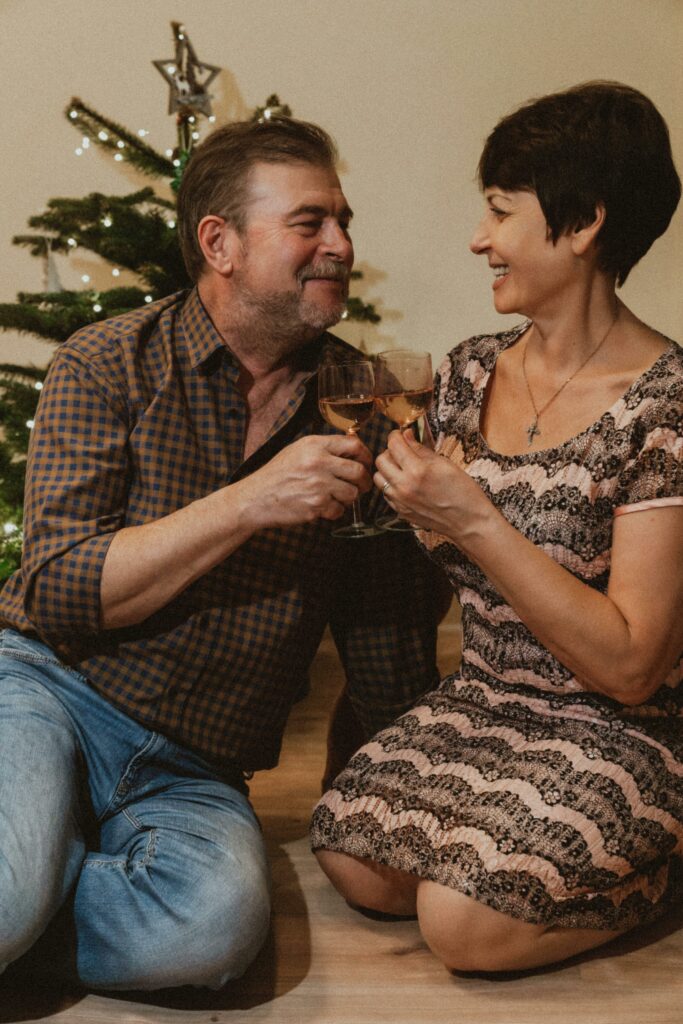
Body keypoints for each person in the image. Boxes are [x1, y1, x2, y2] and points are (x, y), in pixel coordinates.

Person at [0, 117, 445, 991]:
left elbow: (384, 652)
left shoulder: (363, 398)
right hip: (52, 692)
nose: (341, 246)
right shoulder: (109, 363)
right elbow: (55, 591)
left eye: (344, 222)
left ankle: (32, 876)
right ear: (221, 243)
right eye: (309, 223)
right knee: (8, 897)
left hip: (196, 766)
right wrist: (248, 503)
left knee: (209, 930)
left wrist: (431, 529)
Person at [311, 81, 683, 974]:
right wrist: (402, 504)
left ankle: (663, 864)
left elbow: (633, 666)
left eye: (500, 212)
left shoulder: (666, 405)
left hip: (620, 725)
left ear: (582, 224)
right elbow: (441, 551)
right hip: (485, 697)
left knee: (461, 925)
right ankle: (529, 851)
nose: (480, 239)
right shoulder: (469, 372)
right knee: (348, 854)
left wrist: (474, 522)